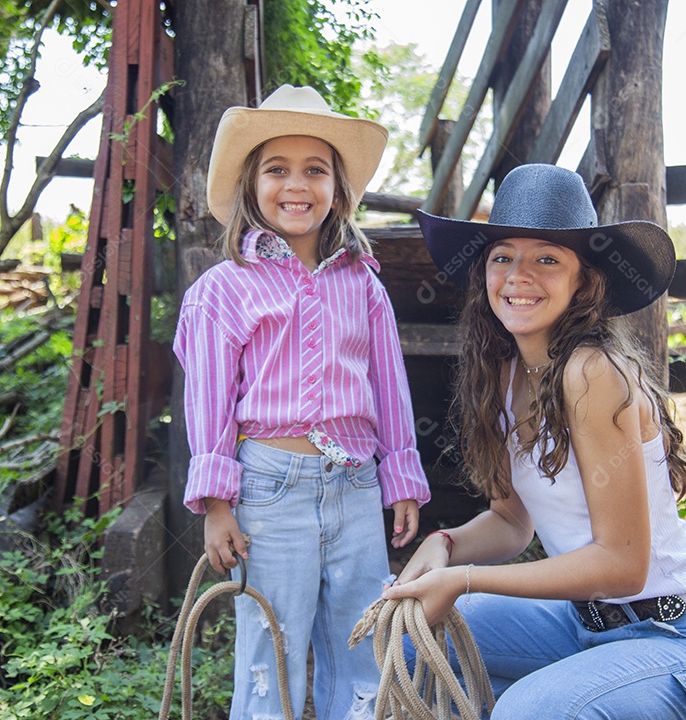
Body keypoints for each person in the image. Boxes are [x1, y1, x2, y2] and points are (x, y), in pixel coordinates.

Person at [383, 163, 686, 718]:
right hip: (582, 622)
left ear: (585, 280)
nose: (518, 275)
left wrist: (461, 580)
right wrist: (447, 545)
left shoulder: (593, 372)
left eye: (547, 259)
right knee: (412, 636)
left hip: (682, 637)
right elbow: (512, 522)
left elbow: (622, 565)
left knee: (527, 712)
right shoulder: (507, 373)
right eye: (502, 256)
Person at [173, 84, 431, 720]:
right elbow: (209, 403)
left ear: (338, 190)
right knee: (271, 643)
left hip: (355, 485)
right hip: (269, 489)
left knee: (365, 637)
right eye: (277, 169)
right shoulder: (223, 290)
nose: (297, 185)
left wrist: (399, 475)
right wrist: (216, 503)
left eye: (315, 170)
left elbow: (388, 383)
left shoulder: (363, 284)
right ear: (252, 187)